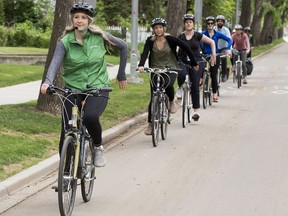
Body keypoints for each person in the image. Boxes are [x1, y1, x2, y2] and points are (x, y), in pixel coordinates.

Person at [40, 2, 128, 167]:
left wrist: (121, 74)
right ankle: (66, 173)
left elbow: (123, 47)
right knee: (66, 130)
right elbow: (54, 64)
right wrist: (47, 82)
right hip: (73, 88)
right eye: (76, 17)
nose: (79, 20)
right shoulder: (65, 41)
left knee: (90, 118)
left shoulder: (100, 36)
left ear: (89, 20)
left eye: (83, 17)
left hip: (98, 87)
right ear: (72, 20)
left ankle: (97, 146)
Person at [138, 18, 199, 135]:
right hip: (155, 69)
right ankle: (150, 124)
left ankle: (171, 100)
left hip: (171, 68)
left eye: (160, 27)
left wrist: (194, 62)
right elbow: (145, 53)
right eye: (156, 28)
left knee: (168, 84)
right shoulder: (150, 41)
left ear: (164, 28)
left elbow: (185, 46)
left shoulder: (170, 39)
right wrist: (141, 65)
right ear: (153, 29)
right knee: (153, 95)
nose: (158, 30)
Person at [177, 14, 216, 117]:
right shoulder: (181, 36)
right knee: (181, 74)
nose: (188, 24)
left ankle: (196, 110)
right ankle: (180, 87)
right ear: (184, 24)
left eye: (190, 22)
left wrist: (213, 55)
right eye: (186, 22)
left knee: (195, 85)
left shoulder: (198, 35)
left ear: (193, 24)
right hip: (183, 61)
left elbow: (212, 42)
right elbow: (175, 47)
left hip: (196, 63)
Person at [202, 16, 232, 102]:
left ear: (214, 24)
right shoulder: (203, 33)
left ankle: (214, 93)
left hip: (215, 56)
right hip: (205, 55)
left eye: (212, 23)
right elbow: (196, 41)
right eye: (208, 23)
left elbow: (229, 39)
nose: (210, 25)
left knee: (213, 74)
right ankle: (201, 82)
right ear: (206, 25)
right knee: (201, 69)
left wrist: (228, 48)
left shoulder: (217, 34)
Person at [213, 15, 232, 82]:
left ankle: (224, 74)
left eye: (221, 21)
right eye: (219, 21)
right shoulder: (213, 29)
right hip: (215, 47)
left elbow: (229, 39)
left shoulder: (226, 30)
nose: (220, 22)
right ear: (216, 22)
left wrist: (228, 49)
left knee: (223, 58)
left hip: (224, 47)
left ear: (223, 23)